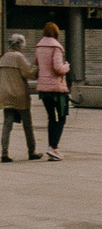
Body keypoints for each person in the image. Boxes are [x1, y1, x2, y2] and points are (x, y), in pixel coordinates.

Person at [33, 22, 71, 161]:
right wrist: (66, 66)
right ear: (56, 33)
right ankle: (53, 147)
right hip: (56, 89)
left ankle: (52, 147)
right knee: (61, 118)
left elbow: (37, 64)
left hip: (43, 89)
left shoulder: (39, 46)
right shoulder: (56, 47)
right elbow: (58, 68)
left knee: (51, 117)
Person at [0, 33, 35, 162]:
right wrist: (37, 68)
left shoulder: (3, 57)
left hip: (6, 95)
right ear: (19, 44)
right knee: (28, 124)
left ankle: (4, 153)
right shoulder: (19, 57)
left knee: (7, 125)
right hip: (19, 95)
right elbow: (29, 73)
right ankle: (32, 151)